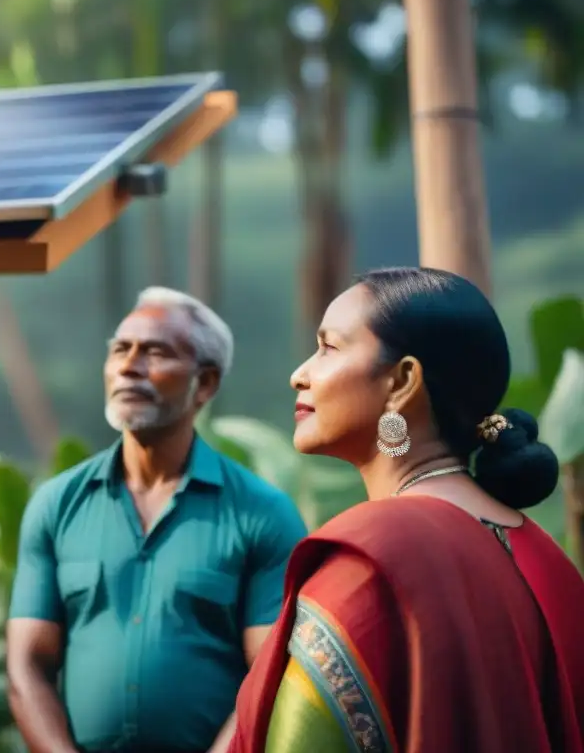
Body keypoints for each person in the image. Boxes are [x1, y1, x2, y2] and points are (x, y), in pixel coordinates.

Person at [228, 267, 584, 753]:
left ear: (401, 380)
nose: (300, 374)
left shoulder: (373, 556)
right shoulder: (550, 562)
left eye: (329, 348)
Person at [6, 287, 308, 753]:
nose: (129, 366)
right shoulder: (56, 504)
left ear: (204, 384)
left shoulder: (261, 513)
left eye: (155, 352)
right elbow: (26, 666)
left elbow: (269, 675)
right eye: (120, 350)